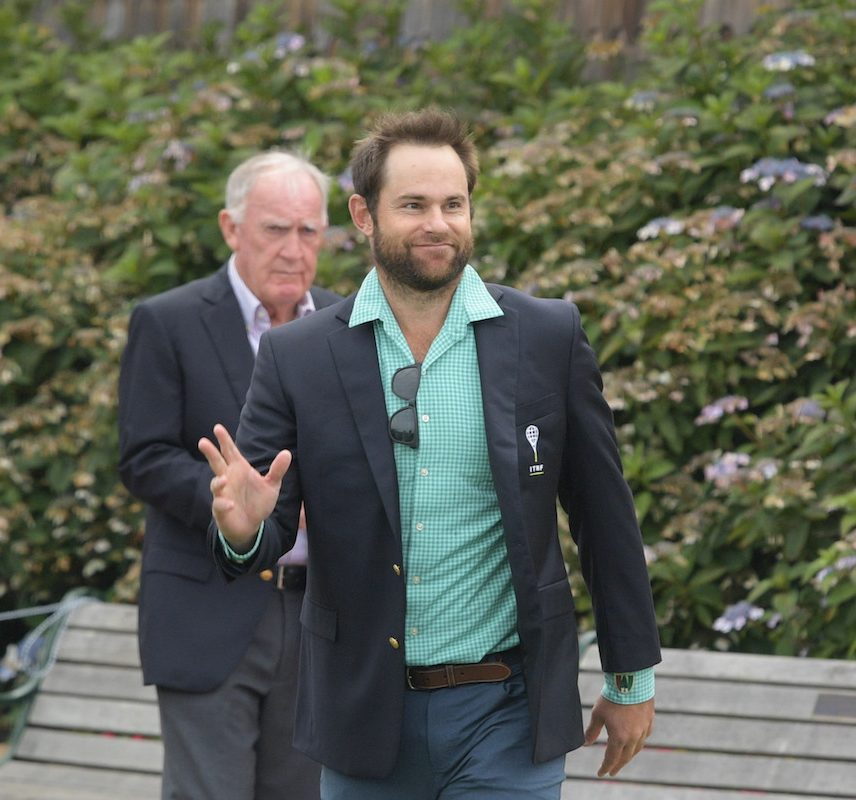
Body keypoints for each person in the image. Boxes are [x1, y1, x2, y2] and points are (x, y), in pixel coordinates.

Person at [199, 108, 661, 800]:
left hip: (508, 711)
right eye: (412, 205)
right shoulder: (299, 357)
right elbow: (258, 529)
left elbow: (605, 517)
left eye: (454, 204)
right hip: (364, 715)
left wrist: (631, 679)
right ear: (363, 214)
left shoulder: (547, 336)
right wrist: (242, 533)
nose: (437, 224)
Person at [117, 151, 340, 800]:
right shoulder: (169, 320)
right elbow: (143, 456)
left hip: (317, 614)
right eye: (275, 229)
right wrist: (229, 503)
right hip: (207, 610)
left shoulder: (344, 324)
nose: (294, 249)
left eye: (309, 231)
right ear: (230, 228)